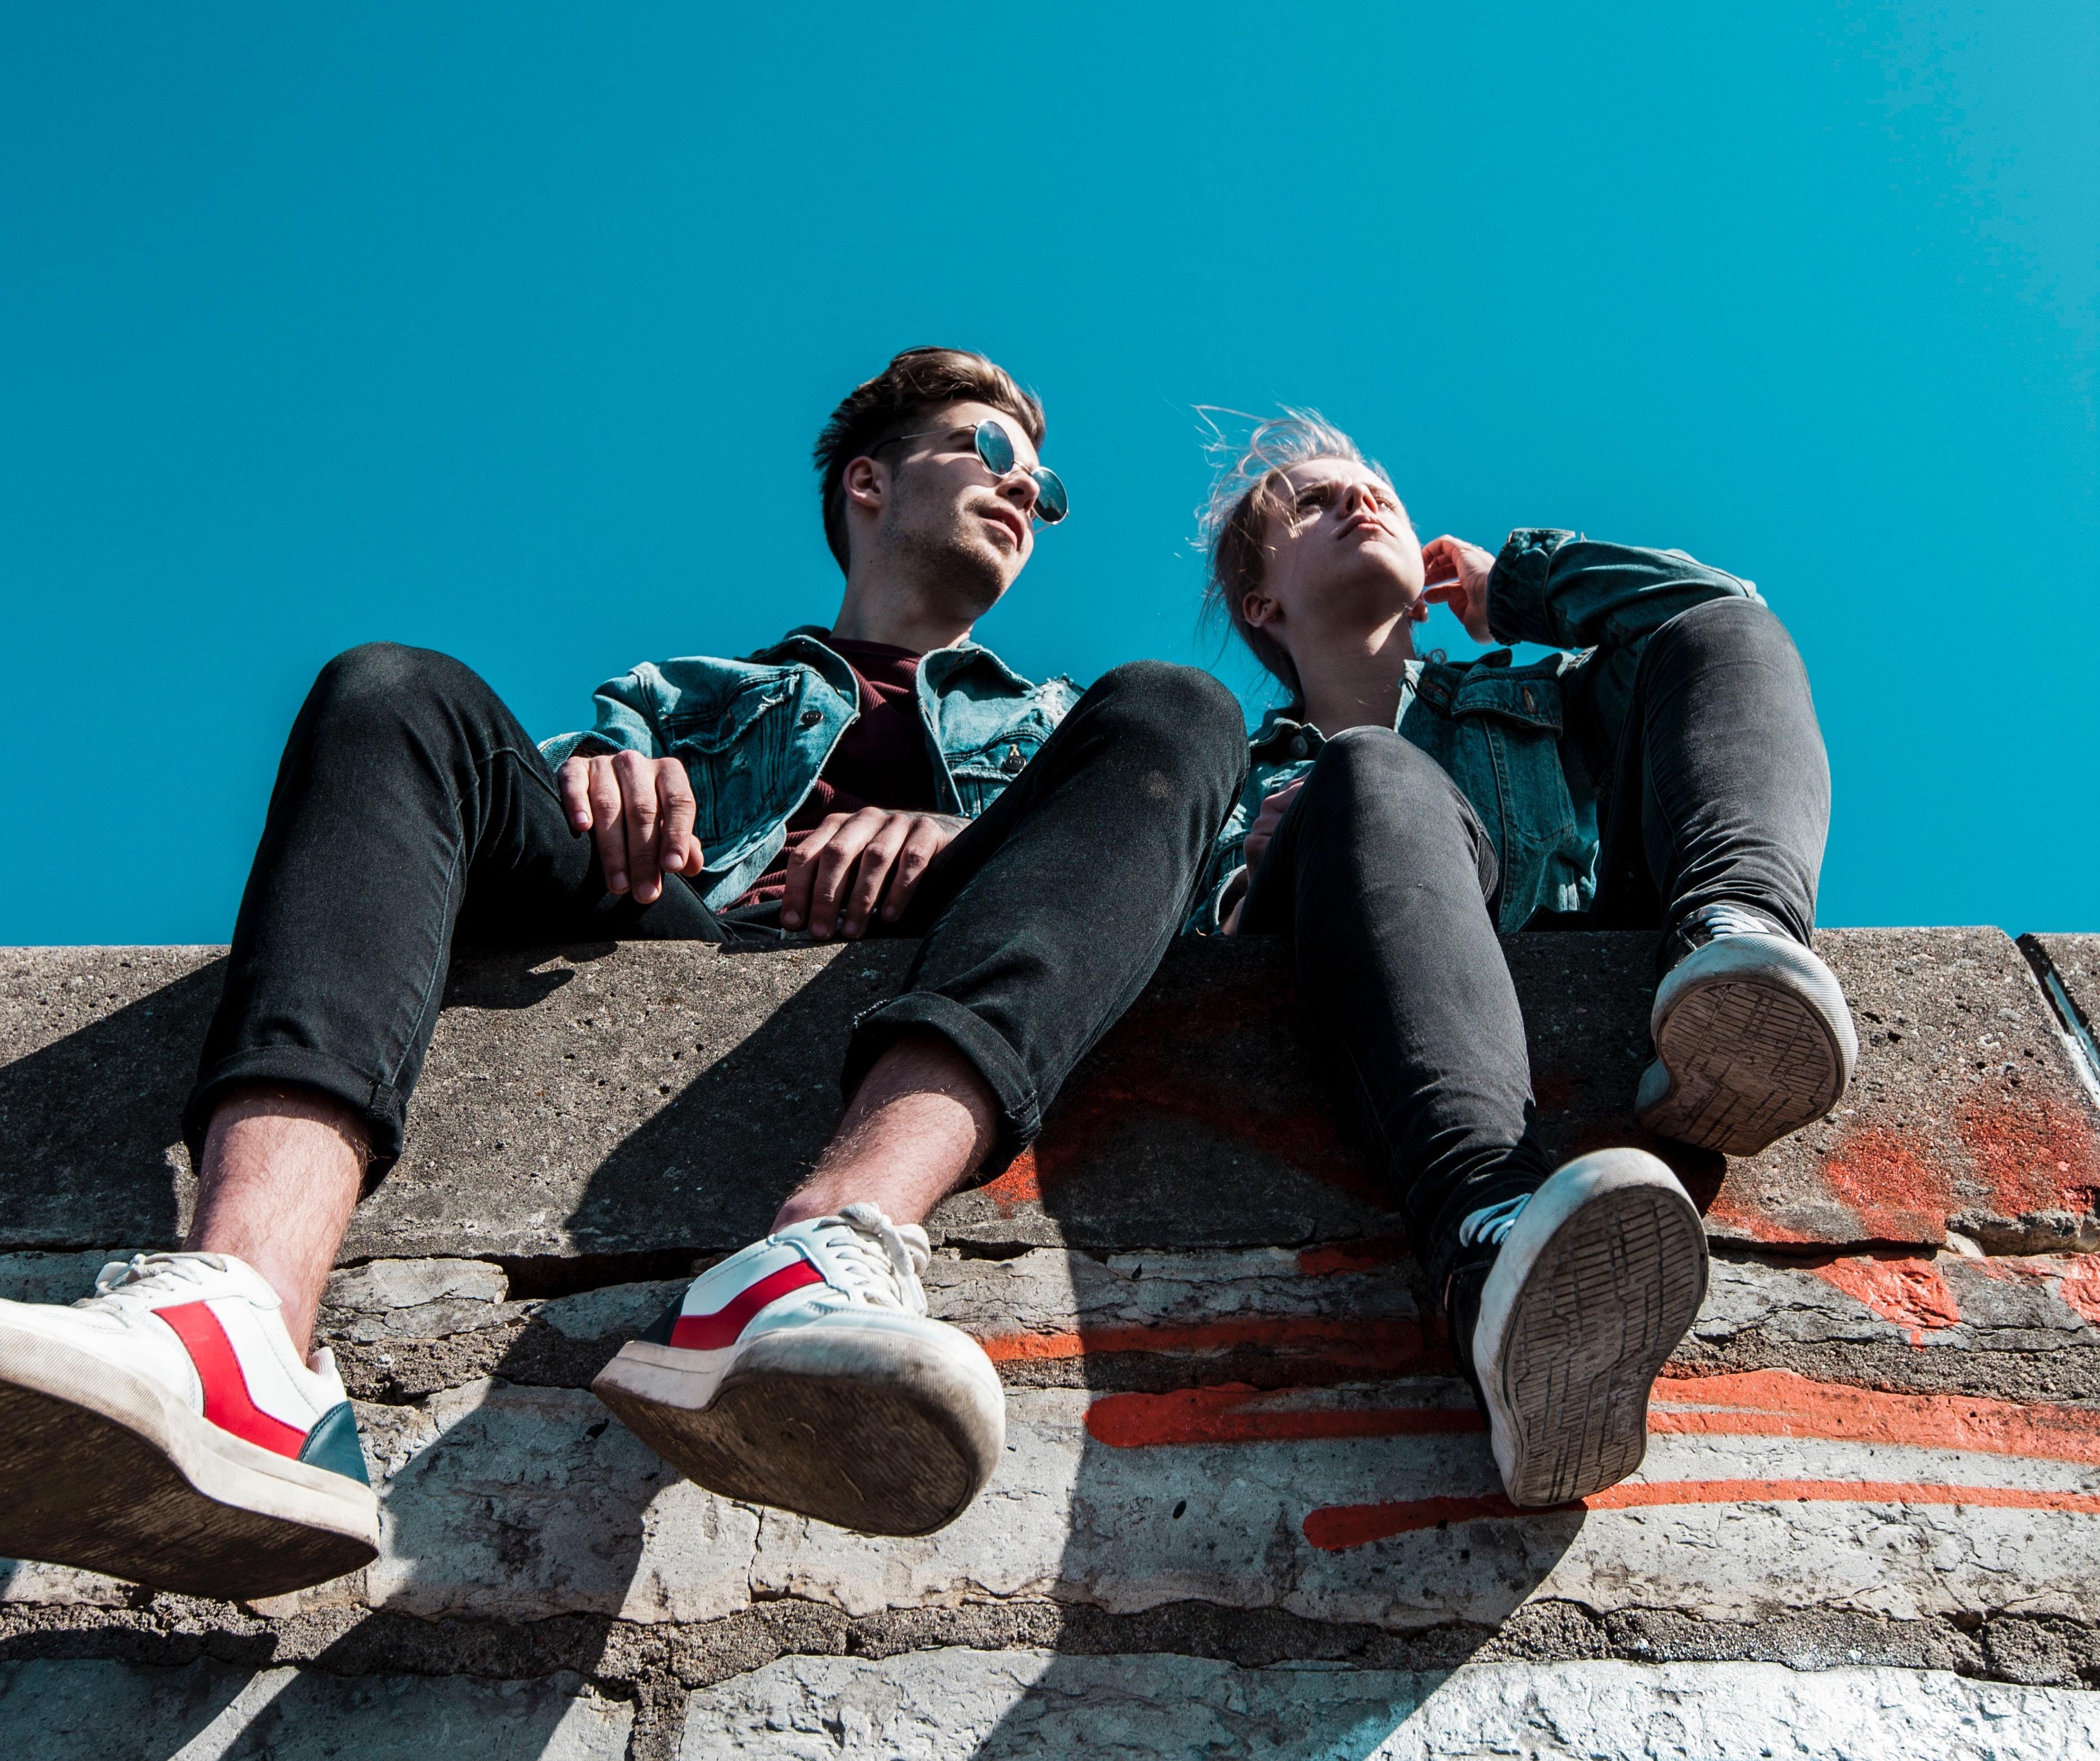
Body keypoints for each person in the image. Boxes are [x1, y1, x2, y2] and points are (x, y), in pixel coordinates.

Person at [0, 348, 1246, 1599]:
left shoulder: (1062, 724)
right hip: (682, 917)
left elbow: (1181, 894)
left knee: (1183, 707)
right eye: (994, 451)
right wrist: (599, 777)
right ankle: (240, 1336)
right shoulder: (683, 693)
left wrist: (963, 841)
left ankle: (829, 1250)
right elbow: (495, 813)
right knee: (391, 691)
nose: (1027, 490)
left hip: (927, 969)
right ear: (868, 483)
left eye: (1047, 487)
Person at [1192, 412, 1854, 1508]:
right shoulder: (1231, 772)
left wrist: (1526, 587)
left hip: (1571, 948)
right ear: (1262, 603)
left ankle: (1737, 945)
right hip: (1361, 1019)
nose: (1361, 501)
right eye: (1315, 502)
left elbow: (1714, 610)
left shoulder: (1538, 706)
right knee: (1370, 772)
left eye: (1377, 491)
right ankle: (1497, 1250)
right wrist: (1252, 879)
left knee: (1726, 634)